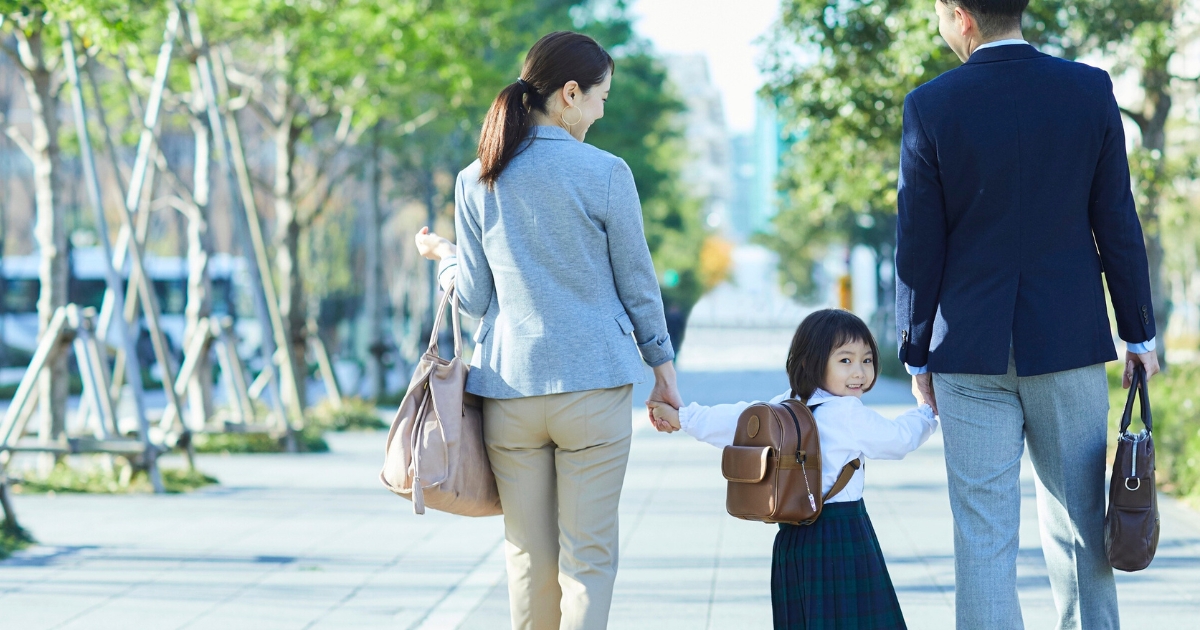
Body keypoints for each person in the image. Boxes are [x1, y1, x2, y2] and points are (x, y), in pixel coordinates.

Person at [896, 1, 1160, 628]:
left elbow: (918, 245)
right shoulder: (1088, 89)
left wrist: (915, 350)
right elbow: (1117, 223)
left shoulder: (930, 105)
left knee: (983, 538)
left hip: (968, 351)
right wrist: (1138, 333)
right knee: (1079, 528)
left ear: (960, 16)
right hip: (1067, 344)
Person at [413, 31, 681, 630]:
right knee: (587, 559)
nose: (602, 111)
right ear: (568, 94)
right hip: (594, 387)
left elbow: (476, 297)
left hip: (511, 391)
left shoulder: (477, 177)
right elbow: (638, 286)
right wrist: (664, 374)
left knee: (528, 559)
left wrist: (445, 257)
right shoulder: (607, 172)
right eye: (600, 98)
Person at [650, 309, 937, 629]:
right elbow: (898, 440)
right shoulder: (847, 413)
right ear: (812, 362)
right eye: (845, 360)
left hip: (794, 540)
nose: (859, 371)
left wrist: (681, 417)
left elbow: (732, 420)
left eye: (867, 360)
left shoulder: (785, 404)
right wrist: (926, 412)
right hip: (842, 534)